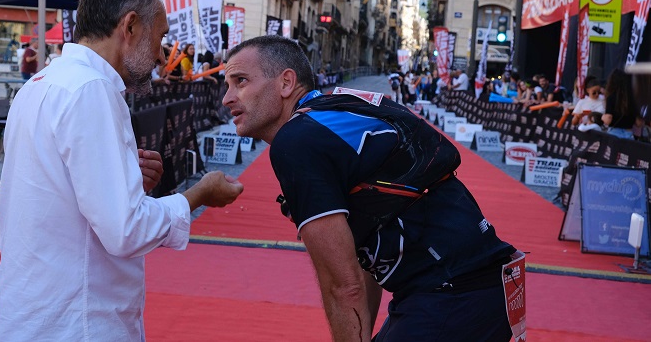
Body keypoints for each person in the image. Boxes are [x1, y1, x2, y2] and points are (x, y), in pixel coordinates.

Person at [0, 0, 244, 341]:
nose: (161, 57)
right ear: (129, 27)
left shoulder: (41, 83)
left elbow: (56, 191)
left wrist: (124, 180)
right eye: (158, 38)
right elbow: (127, 230)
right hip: (76, 320)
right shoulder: (91, 89)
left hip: (34, 311)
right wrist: (198, 194)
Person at [222, 36, 517, 342]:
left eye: (240, 81)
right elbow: (364, 259)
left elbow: (342, 284)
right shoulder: (335, 108)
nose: (227, 98)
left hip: (451, 295)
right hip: (476, 284)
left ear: (286, 83)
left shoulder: (296, 141)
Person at [602, 68, 638, 139]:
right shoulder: (634, 99)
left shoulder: (611, 97)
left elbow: (608, 119)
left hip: (614, 133)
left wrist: (603, 117)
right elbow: (638, 123)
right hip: (629, 133)